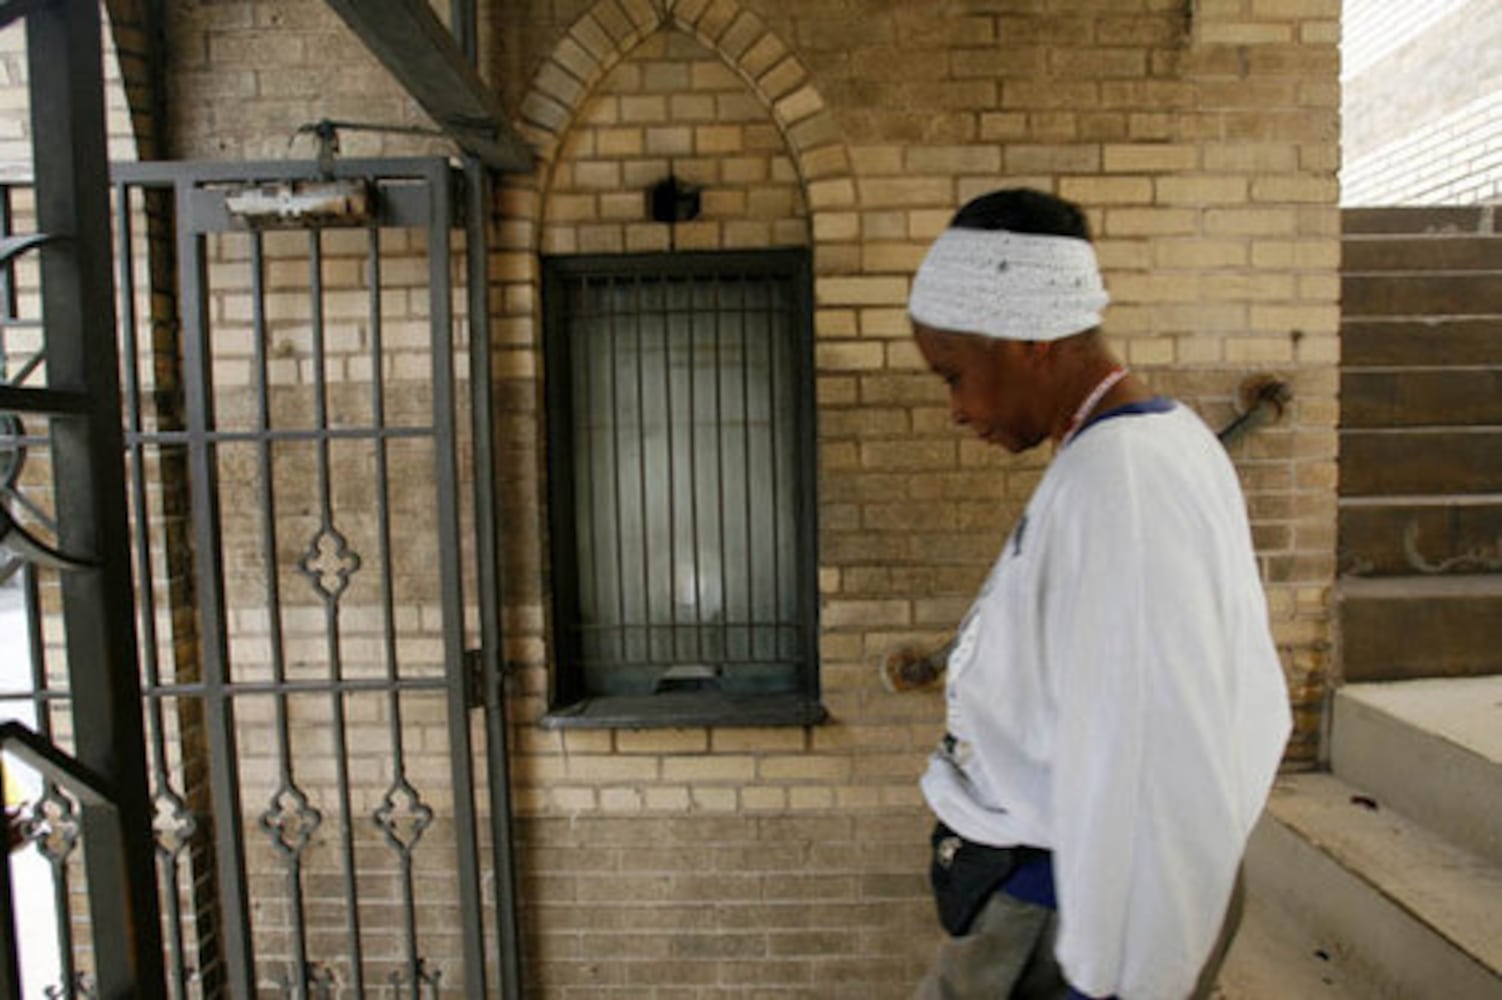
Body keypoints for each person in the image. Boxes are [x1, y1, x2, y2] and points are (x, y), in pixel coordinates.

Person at [905, 188, 1292, 1000]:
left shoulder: (1125, 480)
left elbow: (1163, 753)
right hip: (1053, 900)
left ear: (1031, 339)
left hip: (1070, 922)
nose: (954, 410)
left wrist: (1127, 978)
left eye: (954, 375)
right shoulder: (1136, 448)